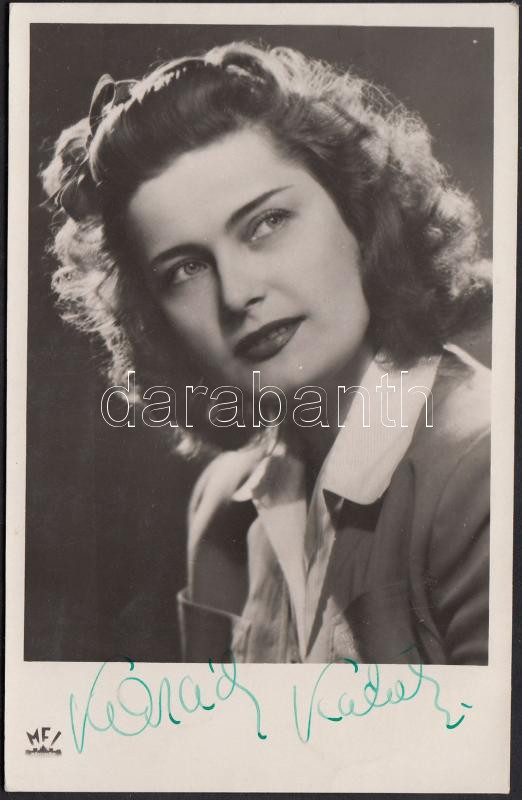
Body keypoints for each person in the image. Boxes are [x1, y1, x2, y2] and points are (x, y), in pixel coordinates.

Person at [41, 41, 491, 665]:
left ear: (360, 212)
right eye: (185, 268)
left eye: (267, 223)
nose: (237, 293)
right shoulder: (222, 506)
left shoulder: (487, 467)